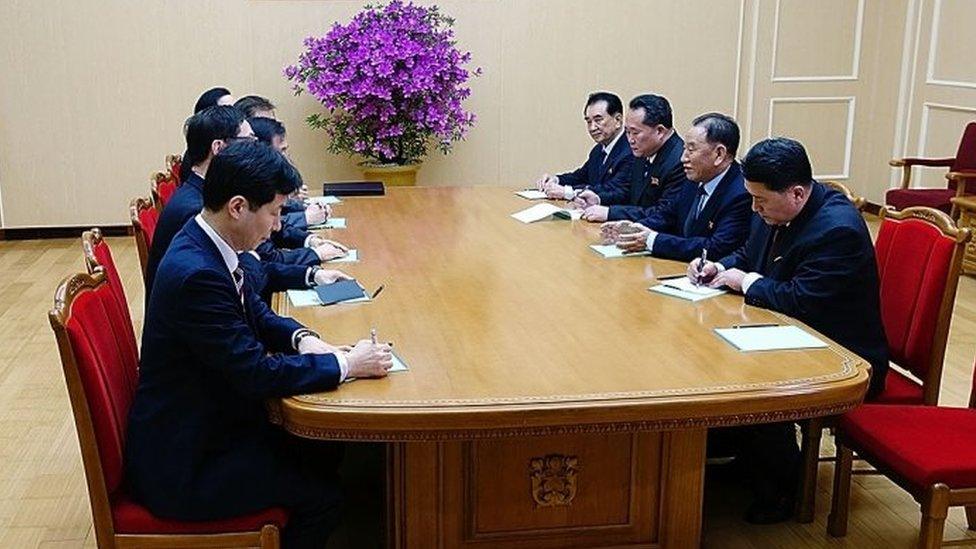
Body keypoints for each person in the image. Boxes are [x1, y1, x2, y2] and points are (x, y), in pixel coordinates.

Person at [126, 140, 394, 548]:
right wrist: (346, 365)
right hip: (186, 462)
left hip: (209, 424)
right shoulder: (197, 273)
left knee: (328, 450)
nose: (275, 227)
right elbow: (255, 373)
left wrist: (303, 339)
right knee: (324, 498)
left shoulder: (207, 241)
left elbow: (253, 308)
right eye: (272, 213)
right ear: (237, 207)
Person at [689, 137, 888, 523]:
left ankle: (785, 488)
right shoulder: (773, 209)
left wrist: (744, 282)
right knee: (713, 355)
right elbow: (748, 255)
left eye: (760, 201)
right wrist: (717, 267)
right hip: (793, 332)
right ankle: (750, 458)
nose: (753, 208)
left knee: (758, 378)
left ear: (797, 193)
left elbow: (802, 300)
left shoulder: (836, 230)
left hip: (842, 353)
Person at [145, 106, 347, 300]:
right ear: (219, 148)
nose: (256, 148)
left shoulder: (207, 193)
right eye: (249, 141)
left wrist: (310, 274)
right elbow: (248, 277)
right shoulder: (198, 208)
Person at [603, 113, 751, 261]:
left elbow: (715, 248)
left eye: (691, 150)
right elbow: (668, 215)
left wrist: (652, 240)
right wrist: (634, 229)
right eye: (684, 148)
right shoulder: (694, 178)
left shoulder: (740, 193)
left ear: (719, 154)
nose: (683, 158)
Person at [573, 94, 687, 222]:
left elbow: (663, 215)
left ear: (659, 131)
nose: (630, 140)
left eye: (635, 133)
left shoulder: (681, 161)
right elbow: (627, 191)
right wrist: (598, 199)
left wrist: (610, 213)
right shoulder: (644, 150)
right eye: (627, 132)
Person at [534, 92, 632, 200]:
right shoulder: (598, 150)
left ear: (618, 120)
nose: (592, 128)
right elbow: (580, 176)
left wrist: (568, 192)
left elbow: (613, 190)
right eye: (589, 122)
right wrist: (555, 180)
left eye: (598, 120)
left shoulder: (630, 150)